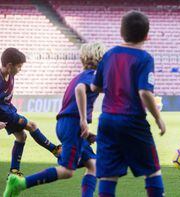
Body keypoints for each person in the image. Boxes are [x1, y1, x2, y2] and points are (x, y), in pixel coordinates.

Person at [3, 42, 106, 197]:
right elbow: (80, 91)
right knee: (67, 171)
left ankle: (17, 172)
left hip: (67, 124)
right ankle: (21, 183)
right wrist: (83, 121)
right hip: (71, 125)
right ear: (100, 58)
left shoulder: (78, 77)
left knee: (93, 164)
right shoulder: (91, 76)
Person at [91, 11, 166, 197]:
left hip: (107, 120)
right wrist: (158, 118)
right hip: (132, 121)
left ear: (121, 32)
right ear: (147, 36)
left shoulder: (108, 55)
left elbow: (94, 87)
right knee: (152, 170)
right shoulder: (144, 58)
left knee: (108, 176)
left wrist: (116, 86)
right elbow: (144, 92)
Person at [0, 48, 60, 177]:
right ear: (10, 66)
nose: (20, 70)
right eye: (19, 67)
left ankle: (14, 171)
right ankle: (55, 150)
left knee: (22, 137)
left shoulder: (9, 75)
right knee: (31, 125)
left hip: (8, 111)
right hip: (5, 115)